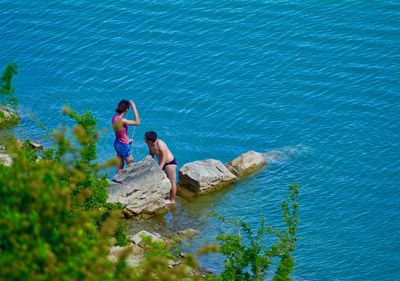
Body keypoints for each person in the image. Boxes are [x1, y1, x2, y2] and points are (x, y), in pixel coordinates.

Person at [144, 131, 177, 205]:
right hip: (162, 162)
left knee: (172, 181)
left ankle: (172, 200)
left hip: (169, 163)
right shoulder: (149, 144)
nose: (144, 139)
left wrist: (159, 169)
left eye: (145, 138)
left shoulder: (160, 144)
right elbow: (151, 154)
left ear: (149, 140)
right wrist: (149, 163)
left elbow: (164, 158)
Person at [112, 99, 140, 173]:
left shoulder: (114, 117)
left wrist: (128, 140)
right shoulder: (122, 120)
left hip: (117, 143)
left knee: (119, 166)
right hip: (123, 145)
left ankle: (116, 182)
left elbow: (120, 132)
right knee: (132, 166)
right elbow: (137, 122)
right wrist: (134, 108)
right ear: (126, 109)